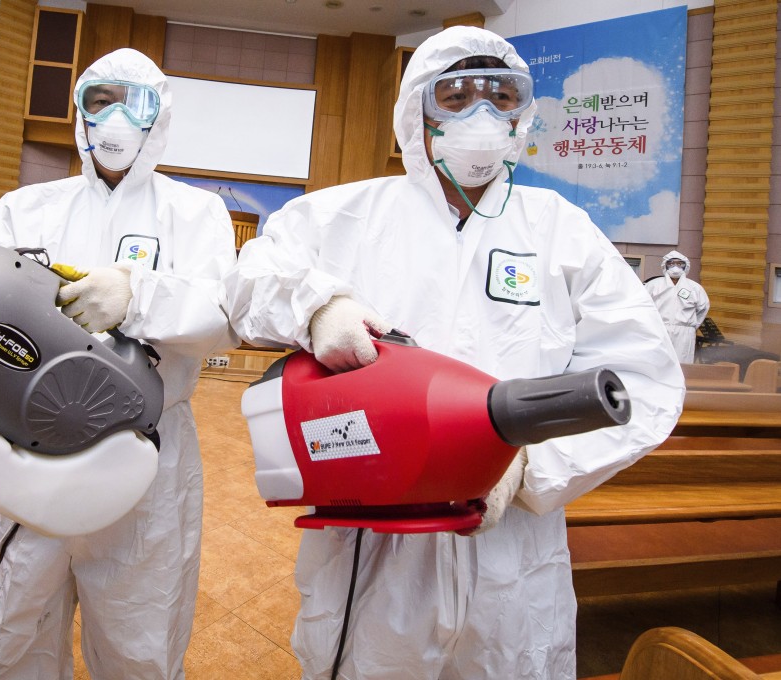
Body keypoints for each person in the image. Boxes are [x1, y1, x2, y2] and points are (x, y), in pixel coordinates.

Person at [226, 26, 684, 680]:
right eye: (457, 95)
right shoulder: (342, 216)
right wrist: (315, 304)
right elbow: (248, 279)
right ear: (417, 109)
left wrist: (530, 465)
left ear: (523, 114)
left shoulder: (560, 230)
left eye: (501, 96)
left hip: (512, 556)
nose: (480, 116)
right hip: (372, 544)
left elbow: (645, 378)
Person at [0, 48, 238, 679]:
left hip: (145, 447)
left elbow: (222, 316)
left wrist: (138, 296)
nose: (113, 117)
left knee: (138, 636)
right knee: (20, 625)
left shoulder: (196, 213)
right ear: (79, 114)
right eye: (98, 100)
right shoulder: (26, 207)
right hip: (35, 446)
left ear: (159, 115)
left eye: (132, 101)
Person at [644, 250, 710, 363]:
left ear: (686, 266)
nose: (675, 267)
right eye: (671, 263)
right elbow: (644, 306)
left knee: (682, 363)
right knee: (659, 361)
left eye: (679, 264)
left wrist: (691, 326)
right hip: (660, 329)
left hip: (684, 333)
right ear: (665, 265)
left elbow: (703, 309)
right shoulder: (653, 285)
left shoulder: (694, 288)